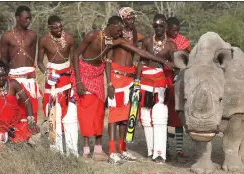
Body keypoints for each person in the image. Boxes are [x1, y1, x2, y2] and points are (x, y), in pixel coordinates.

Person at [72, 15, 174, 161]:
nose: (120, 33)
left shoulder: (115, 40)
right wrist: (84, 81)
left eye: (123, 31)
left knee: (123, 117)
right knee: (109, 114)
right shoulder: (94, 36)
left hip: (120, 78)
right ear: (111, 26)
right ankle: (110, 151)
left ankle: (120, 149)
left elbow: (141, 53)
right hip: (99, 76)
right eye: (119, 30)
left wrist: (164, 61)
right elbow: (79, 55)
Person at [105, 7, 166, 164]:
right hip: (117, 77)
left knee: (126, 117)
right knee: (114, 116)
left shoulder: (134, 33)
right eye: (129, 18)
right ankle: (112, 152)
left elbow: (146, 41)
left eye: (133, 18)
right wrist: (109, 83)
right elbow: (108, 59)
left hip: (130, 77)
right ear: (122, 19)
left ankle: (122, 149)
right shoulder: (115, 35)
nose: (132, 21)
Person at [135, 13, 177, 164]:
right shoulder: (147, 41)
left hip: (160, 83)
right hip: (145, 82)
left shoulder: (171, 45)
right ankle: (151, 150)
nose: (158, 28)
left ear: (165, 26)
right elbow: (141, 62)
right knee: (146, 118)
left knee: (160, 116)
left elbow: (175, 64)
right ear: (153, 26)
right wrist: (137, 82)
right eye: (156, 26)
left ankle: (160, 153)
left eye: (161, 26)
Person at [37, 15, 78, 157]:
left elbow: (74, 59)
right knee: (53, 113)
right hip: (52, 78)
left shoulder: (70, 38)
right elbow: (40, 62)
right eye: (55, 27)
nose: (59, 29)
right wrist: (47, 73)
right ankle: (57, 152)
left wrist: (74, 78)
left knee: (71, 115)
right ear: (49, 28)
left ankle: (73, 151)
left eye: (61, 26)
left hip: (67, 76)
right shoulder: (43, 40)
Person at [0, 60, 39, 150]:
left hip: (14, 125)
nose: (1, 79)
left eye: (3, 75)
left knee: (31, 134)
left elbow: (27, 101)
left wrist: (31, 120)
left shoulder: (13, 84)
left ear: (7, 74)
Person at [0, 5, 41, 124]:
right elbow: (4, 61)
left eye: (30, 18)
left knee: (31, 109)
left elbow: (32, 58)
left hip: (29, 79)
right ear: (18, 18)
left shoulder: (33, 35)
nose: (28, 21)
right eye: (26, 18)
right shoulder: (7, 36)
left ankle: (28, 138)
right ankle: (15, 139)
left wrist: (30, 74)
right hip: (13, 78)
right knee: (13, 109)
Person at [166, 16, 191, 158]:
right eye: (173, 30)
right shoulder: (162, 40)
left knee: (178, 115)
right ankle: (165, 147)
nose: (176, 33)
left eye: (178, 31)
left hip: (178, 79)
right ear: (167, 28)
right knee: (163, 116)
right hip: (165, 77)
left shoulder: (182, 40)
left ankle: (179, 149)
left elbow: (192, 53)